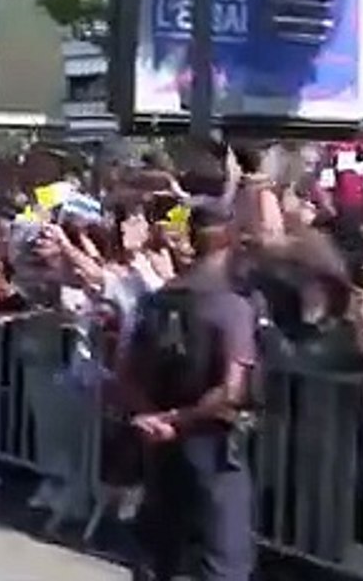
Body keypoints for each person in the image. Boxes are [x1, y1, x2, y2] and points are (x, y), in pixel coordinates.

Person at [129, 203, 257, 581]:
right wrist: (177, 420)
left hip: (157, 440)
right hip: (211, 441)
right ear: (229, 242)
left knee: (161, 545)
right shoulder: (232, 306)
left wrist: (151, 417)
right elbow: (231, 389)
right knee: (225, 555)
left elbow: (125, 370)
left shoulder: (155, 300)